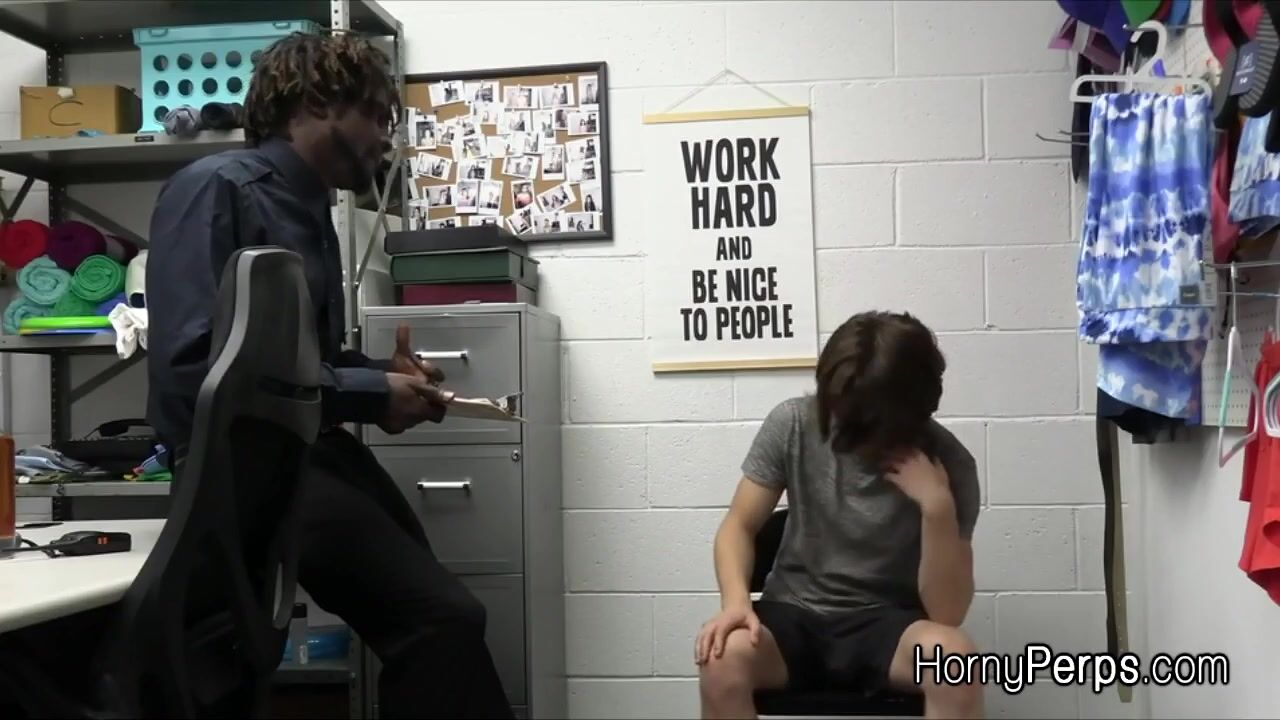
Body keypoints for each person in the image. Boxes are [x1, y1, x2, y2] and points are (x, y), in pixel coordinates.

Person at [145, 32, 514, 719]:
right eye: (375, 115)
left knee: (444, 617)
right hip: (242, 465)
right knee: (441, 620)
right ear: (315, 103)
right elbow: (193, 370)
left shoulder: (314, 207)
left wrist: (385, 381)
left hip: (309, 452)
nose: (385, 139)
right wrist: (368, 394)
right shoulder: (216, 189)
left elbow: (302, 363)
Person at [694, 311, 983, 720]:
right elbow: (738, 526)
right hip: (793, 614)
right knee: (721, 657)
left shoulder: (950, 463)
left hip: (889, 623)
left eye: (863, 421)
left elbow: (947, 615)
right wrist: (736, 602)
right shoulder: (794, 422)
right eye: (838, 411)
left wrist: (937, 507)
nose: (843, 429)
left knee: (957, 665)